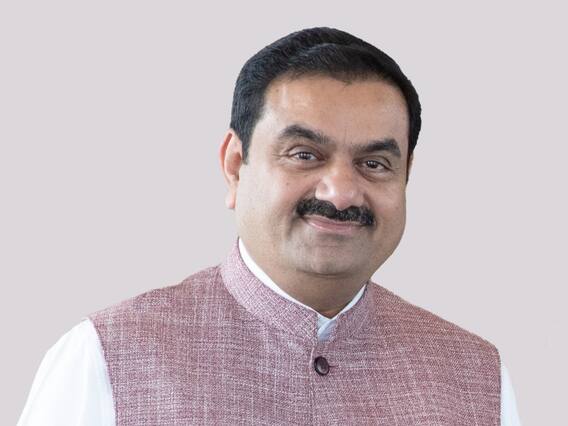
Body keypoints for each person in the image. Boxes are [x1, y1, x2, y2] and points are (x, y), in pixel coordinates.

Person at [18, 27, 521, 425]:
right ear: (235, 165)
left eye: (374, 164)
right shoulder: (108, 357)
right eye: (304, 154)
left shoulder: (475, 377)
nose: (340, 193)